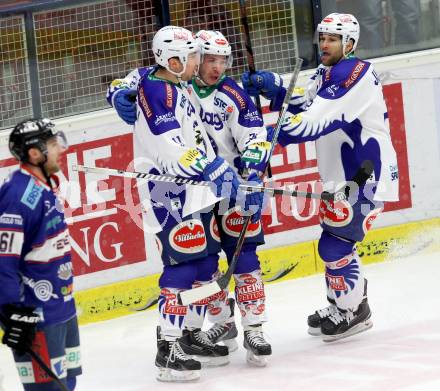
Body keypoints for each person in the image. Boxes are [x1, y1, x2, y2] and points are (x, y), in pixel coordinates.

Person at [107, 29, 272, 367]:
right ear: (177, 60)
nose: (207, 65)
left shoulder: (181, 84)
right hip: (169, 193)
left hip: (198, 192)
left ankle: (189, 335)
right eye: (200, 57)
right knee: (182, 268)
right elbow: (170, 149)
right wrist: (217, 170)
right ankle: (168, 345)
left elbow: (255, 137)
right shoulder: (160, 88)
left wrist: (250, 174)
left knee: (205, 267)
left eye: (216, 59)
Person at [242, 13, 399, 342]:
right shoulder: (327, 71)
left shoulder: (354, 73)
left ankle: (355, 311)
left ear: (350, 44)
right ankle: (343, 304)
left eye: (332, 38)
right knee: (334, 238)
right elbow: (306, 102)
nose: (324, 43)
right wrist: (275, 88)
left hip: (364, 176)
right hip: (341, 177)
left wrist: (272, 138)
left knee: (334, 245)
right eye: (322, 36)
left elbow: (314, 120)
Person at [0, 118, 82, 390]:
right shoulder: (18, 196)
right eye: (51, 143)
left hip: (62, 307)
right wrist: (11, 314)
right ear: (35, 153)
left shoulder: (45, 185)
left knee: (67, 383)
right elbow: (4, 261)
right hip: (35, 316)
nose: (60, 148)